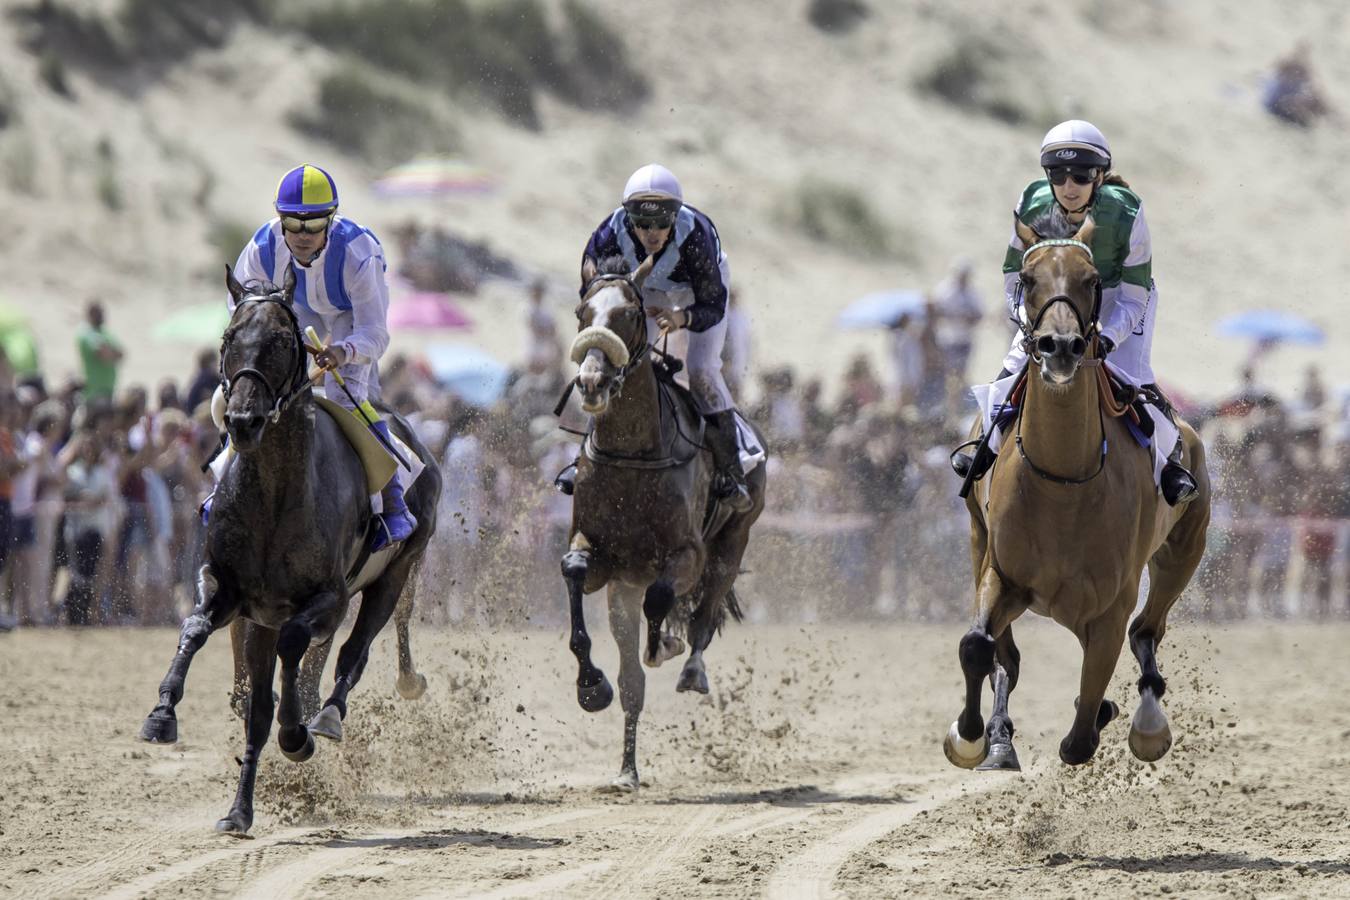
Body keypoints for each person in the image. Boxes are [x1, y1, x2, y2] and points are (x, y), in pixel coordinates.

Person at [951, 120, 1197, 506]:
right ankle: (984, 444)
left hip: (1118, 300)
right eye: (1058, 175)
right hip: (1049, 298)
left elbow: (1135, 297)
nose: (1068, 186)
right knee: (1012, 366)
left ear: (1099, 177)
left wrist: (1108, 337)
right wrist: (1030, 323)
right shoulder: (1030, 203)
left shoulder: (1127, 212)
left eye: (1081, 176)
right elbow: (1013, 282)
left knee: (1135, 379)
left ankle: (1170, 465)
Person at [227, 163, 415, 548]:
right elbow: (241, 313)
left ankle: (393, 504)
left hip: (350, 316)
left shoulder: (359, 253)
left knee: (343, 396)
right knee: (239, 393)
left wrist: (343, 352)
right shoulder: (262, 247)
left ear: (331, 218)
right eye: (293, 225)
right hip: (292, 308)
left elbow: (376, 335)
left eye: (313, 225)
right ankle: (221, 487)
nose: (302, 236)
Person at [556, 163, 751, 512]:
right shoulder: (606, 237)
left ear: (675, 216)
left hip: (698, 291)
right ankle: (583, 456)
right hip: (640, 290)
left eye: (662, 222)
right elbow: (595, 299)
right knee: (617, 363)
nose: (652, 232)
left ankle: (731, 469)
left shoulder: (696, 237)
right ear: (629, 218)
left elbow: (713, 305)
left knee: (702, 368)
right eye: (642, 223)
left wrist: (681, 318)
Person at [76, 302, 123, 402]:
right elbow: (104, 354)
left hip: (109, 389)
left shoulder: (105, 332)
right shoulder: (86, 333)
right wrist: (111, 353)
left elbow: (121, 354)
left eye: (101, 312)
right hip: (94, 391)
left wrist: (111, 353)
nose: (101, 315)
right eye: (97, 313)